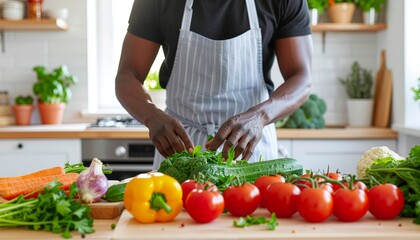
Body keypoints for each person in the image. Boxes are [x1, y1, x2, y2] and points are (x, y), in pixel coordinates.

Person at [115, 0, 313, 169]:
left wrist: (261, 116)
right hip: (180, 150)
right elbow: (127, 74)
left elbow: (302, 77)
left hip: (251, 149)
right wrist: (151, 115)